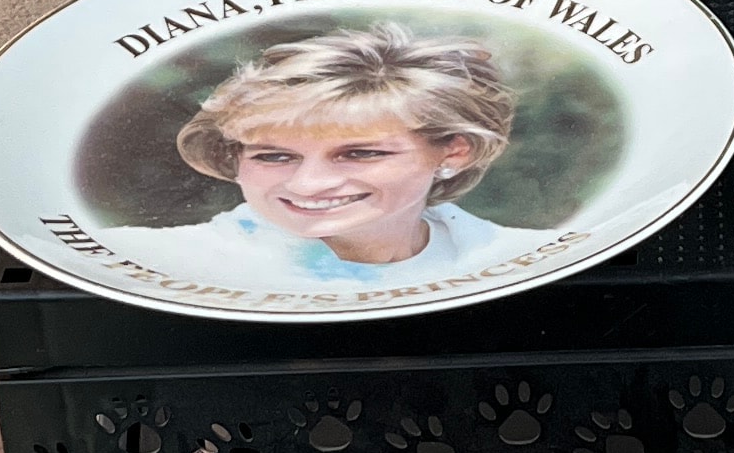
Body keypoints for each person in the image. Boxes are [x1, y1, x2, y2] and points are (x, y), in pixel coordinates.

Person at [112, 24, 547, 299]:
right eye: (274, 155)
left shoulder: (528, 259)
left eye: (360, 153)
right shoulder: (145, 263)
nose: (309, 184)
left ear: (454, 151)